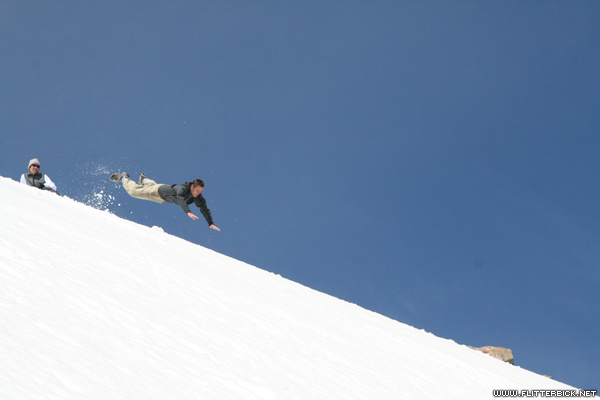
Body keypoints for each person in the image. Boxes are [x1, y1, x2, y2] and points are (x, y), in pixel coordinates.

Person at [109, 172, 220, 231]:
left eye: (201, 191)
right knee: (134, 192)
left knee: (150, 186)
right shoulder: (183, 188)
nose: (198, 193)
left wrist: (210, 223)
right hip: (158, 191)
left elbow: (204, 209)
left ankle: (144, 180)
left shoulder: (198, 197)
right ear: (192, 186)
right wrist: (188, 211)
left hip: (162, 198)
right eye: (197, 190)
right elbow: (180, 198)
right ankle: (123, 178)